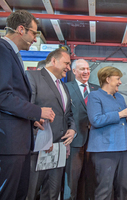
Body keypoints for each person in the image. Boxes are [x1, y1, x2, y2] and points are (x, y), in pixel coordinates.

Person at [0, 10, 55, 200]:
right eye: (34, 33)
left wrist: (31, 121)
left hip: (17, 143)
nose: (35, 39)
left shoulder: (13, 54)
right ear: (21, 29)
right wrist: (37, 111)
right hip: (7, 145)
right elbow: (1, 96)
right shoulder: (0, 51)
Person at [26, 48, 76, 200]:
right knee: (30, 193)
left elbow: (69, 114)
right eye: (66, 63)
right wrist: (36, 118)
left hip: (58, 150)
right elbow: (24, 107)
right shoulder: (32, 77)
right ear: (54, 61)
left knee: (52, 194)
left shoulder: (64, 86)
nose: (68, 68)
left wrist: (73, 129)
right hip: (37, 149)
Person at [87, 66, 127, 200]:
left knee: (122, 188)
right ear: (107, 79)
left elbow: (123, 121)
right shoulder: (94, 96)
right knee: (104, 190)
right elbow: (96, 120)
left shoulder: (119, 97)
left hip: (124, 148)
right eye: (118, 79)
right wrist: (120, 114)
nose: (120, 82)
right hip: (105, 150)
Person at [64, 59, 99, 200]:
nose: (86, 71)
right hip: (74, 141)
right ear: (74, 71)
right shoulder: (66, 87)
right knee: (71, 181)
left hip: (95, 142)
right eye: (82, 69)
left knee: (92, 180)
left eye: (87, 68)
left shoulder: (97, 89)